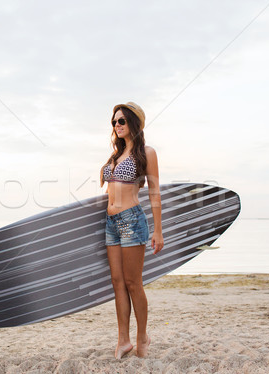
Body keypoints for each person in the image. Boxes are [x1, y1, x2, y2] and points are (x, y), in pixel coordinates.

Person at [100, 102, 164, 359]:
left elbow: (154, 192)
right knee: (117, 283)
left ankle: (142, 337)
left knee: (133, 283)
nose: (117, 125)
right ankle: (123, 339)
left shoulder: (146, 152)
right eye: (114, 122)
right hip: (111, 222)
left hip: (132, 221)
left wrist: (158, 230)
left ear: (134, 123)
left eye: (122, 121)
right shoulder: (115, 156)